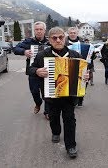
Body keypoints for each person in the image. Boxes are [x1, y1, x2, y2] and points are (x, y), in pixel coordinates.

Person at [28, 27, 88, 158]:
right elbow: (30, 69)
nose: (58, 40)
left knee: (70, 119)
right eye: (54, 38)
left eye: (61, 37)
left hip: (69, 96)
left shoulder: (74, 55)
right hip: (51, 95)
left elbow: (84, 73)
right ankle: (55, 132)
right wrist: (37, 71)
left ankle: (71, 145)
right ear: (49, 40)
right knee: (53, 117)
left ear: (64, 38)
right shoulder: (42, 55)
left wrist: (85, 76)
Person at [14, 21, 50, 120]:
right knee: (34, 91)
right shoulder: (28, 41)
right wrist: (24, 51)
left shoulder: (50, 41)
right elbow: (15, 48)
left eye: (41, 29)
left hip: (47, 71)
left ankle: (47, 111)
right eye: (37, 29)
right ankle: (38, 103)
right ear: (34, 31)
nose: (39, 31)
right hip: (33, 71)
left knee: (47, 92)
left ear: (44, 30)